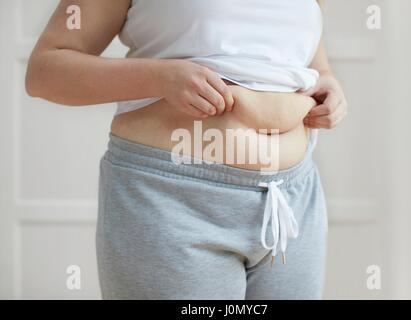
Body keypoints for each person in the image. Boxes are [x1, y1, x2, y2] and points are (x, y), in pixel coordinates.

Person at [26, 0, 348, 299]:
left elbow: (301, 57)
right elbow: (45, 70)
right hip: (172, 202)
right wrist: (161, 78)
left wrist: (328, 81)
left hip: (291, 205)